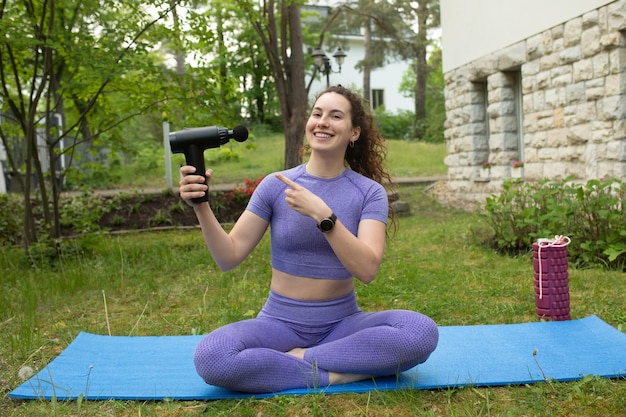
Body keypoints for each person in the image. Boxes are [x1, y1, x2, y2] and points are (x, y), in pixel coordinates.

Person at [178, 85, 439, 393]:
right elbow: (228, 255)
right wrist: (201, 206)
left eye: (335, 116)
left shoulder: (369, 193)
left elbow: (367, 269)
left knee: (420, 333)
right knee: (212, 358)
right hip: (278, 325)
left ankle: (300, 361)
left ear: (354, 132)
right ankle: (338, 373)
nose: (322, 121)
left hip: (342, 325)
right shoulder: (275, 186)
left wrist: (324, 217)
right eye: (317, 114)